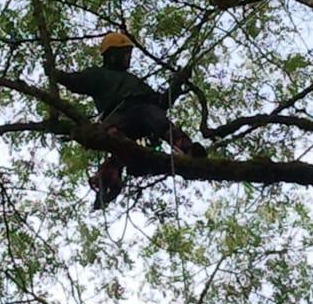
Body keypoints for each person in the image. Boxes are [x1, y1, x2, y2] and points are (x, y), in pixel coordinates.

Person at [58, 32, 206, 209]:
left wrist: (177, 83)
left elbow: (161, 103)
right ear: (112, 56)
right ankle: (109, 176)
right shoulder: (99, 75)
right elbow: (76, 82)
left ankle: (187, 149)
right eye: (125, 54)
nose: (128, 58)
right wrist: (56, 74)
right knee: (119, 140)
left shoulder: (134, 82)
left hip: (143, 116)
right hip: (117, 118)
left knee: (155, 117)